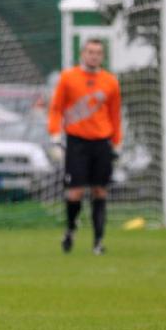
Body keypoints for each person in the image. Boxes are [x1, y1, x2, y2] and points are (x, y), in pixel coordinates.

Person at [47, 38, 122, 255]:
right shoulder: (68, 78)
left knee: (100, 191)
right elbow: (56, 108)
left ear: (103, 56)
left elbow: (114, 114)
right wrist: (54, 133)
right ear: (82, 53)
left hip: (101, 142)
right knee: (75, 192)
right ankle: (70, 229)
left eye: (98, 52)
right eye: (90, 52)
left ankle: (98, 242)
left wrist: (117, 142)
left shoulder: (110, 81)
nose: (94, 56)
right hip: (77, 141)